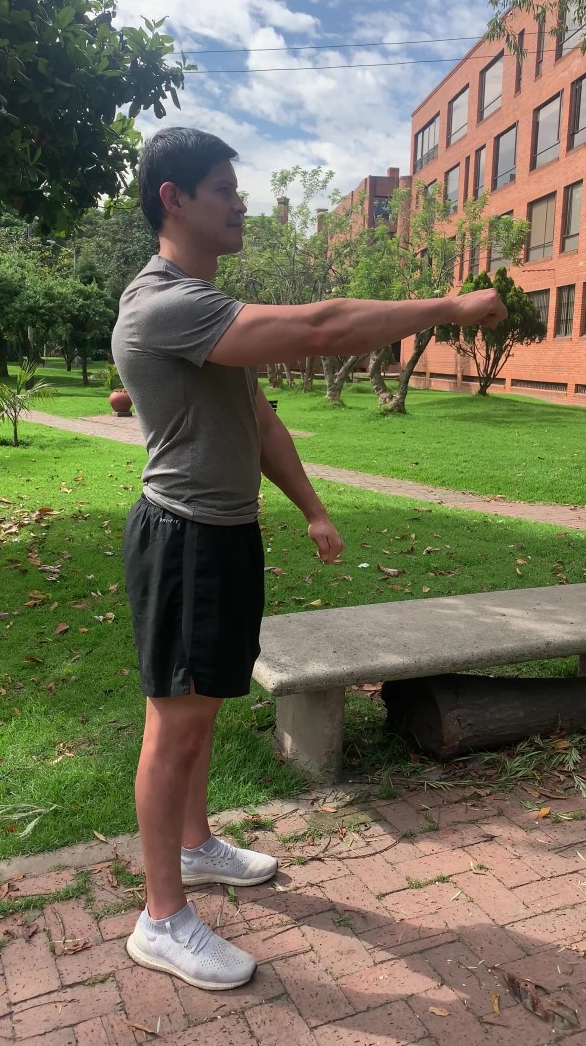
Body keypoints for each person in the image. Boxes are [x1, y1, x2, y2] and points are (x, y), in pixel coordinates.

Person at [111, 126, 507, 993]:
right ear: (174, 199)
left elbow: (259, 421)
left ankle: (195, 845)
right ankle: (161, 920)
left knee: (201, 711)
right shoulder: (163, 303)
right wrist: (446, 306)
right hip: (184, 540)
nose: (240, 203)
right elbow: (322, 327)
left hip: (224, 534)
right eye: (223, 189)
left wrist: (314, 509)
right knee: (173, 726)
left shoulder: (204, 309)